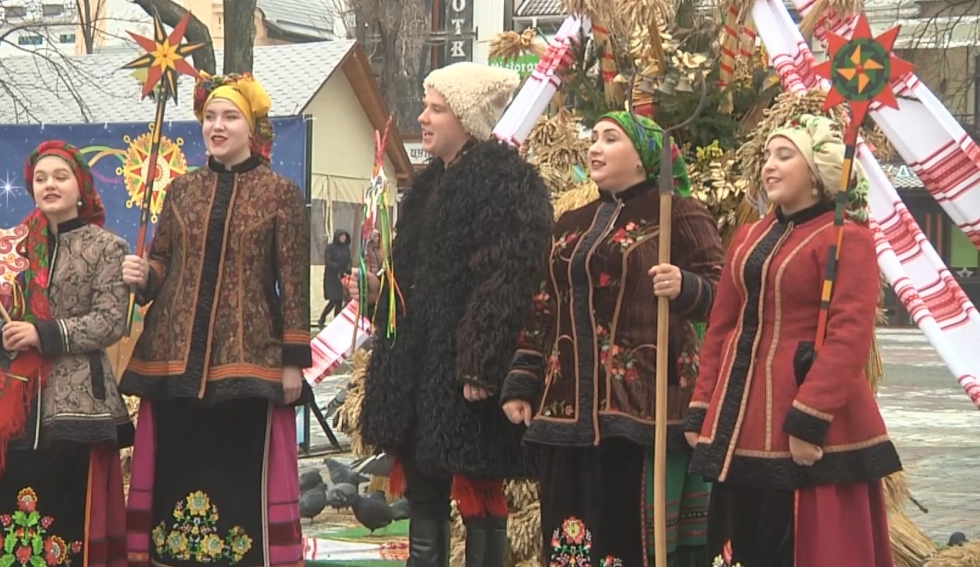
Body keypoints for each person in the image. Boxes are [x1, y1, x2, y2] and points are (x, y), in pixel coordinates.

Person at [348, 61, 552, 567]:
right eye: (426, 106)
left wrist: (482, 362)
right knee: (423, 487)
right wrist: (379, 295)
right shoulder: (425, 187)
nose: (424, 117)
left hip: (464, 368)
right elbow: (413, 278)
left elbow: (508, 279)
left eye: (437, 108)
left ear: (467, 119)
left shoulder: (508, 183)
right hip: (417, 367)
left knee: (478, 487)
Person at [501, 112, 725, 566]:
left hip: (644, 409)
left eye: (610, 138)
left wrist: (686, 287)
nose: (595, 148)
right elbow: (544, 304)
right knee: (570, 541)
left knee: (633, 542)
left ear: (644, 158)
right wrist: (523, 380)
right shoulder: (572, 222)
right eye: (593, 138)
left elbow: (722, 297)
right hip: (566, 410)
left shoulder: (678, 212)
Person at [685, 114, 901, 567]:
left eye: (784, 155)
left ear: (819, 173)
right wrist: (702, 407)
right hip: (736, 425)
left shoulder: (846, 240)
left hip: (804, 427)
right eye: (767, 155)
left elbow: (850, 335)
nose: (769, 165)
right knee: (736, 547)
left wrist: (808, 421)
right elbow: (722, 328)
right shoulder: (747, 238)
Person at [119, 72, 310, 567]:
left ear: (253, 129)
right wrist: (144, 276)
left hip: (247, 364)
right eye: (209, 118)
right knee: (179, 477)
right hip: (173, 363)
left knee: (237, 481)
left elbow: (293, 282)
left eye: (230, 117)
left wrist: (294, 361)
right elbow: (164, 263)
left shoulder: (280, 194)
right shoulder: (181, 190)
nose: (217, 127)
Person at [0, 140, 132, 567]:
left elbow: (111, 321)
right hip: (12, 401)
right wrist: (2, 335)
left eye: (60, 177)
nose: (49, 185)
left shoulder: (107, 248)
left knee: (69, 509)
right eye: (40, 179)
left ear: (81, 187)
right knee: (4, 513)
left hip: (77, 404)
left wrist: (42, 333)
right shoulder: (14, 248)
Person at [319, 229, 352, 327]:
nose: (344, 238)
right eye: (342, 236)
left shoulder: (346, 249)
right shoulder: (330, 248)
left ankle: (336, 322)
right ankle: (322, 318)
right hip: (332, 277)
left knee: (339, 301)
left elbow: (349, 260)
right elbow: (327, 261)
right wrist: (336, 266)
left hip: (342, 277)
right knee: (333, 300)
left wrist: (348, 268)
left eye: (344, 236)